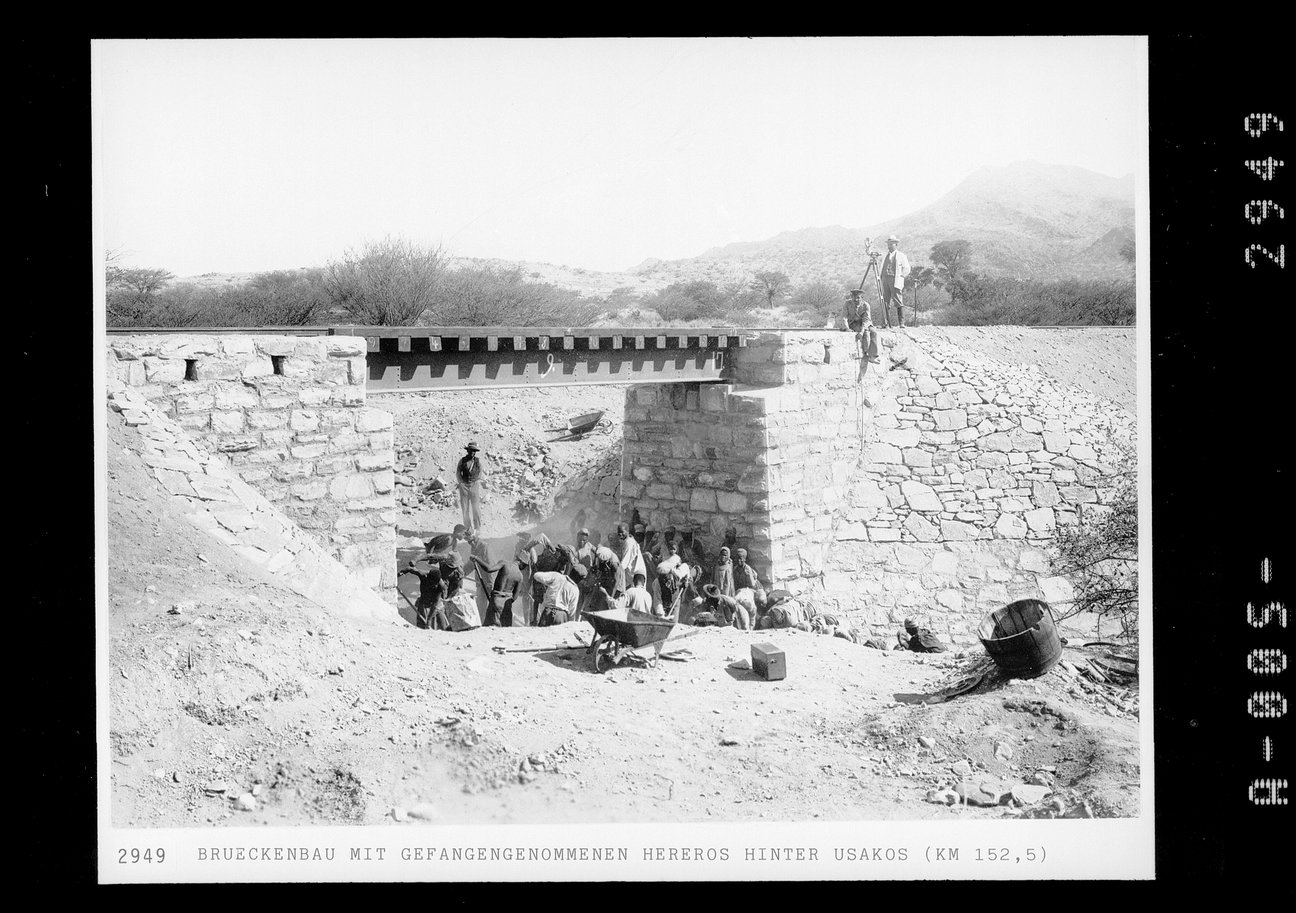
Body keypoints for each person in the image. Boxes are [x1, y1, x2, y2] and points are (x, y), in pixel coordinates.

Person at [398, 560, 448, 630]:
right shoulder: (423, 576)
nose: (435, 585)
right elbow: (410, 569)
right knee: (421, 625)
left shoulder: (440, 586)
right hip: (424, 601)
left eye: (436, 583)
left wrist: (429, 620)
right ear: (428, 578)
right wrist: (400, 573)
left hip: (436, 604)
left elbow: (435, 604)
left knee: (442, 626)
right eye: (432, 583)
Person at [879, 235, 911, 329]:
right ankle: (885, 322)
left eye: (891, 244)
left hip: (895, 279)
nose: (889, 246)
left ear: (896, 244)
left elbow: (907, 268)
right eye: (888, 244)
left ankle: (901, 323)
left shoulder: (901, 256)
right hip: (885, 279)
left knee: (898, 300)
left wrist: (901, 275)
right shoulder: (885, 255)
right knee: (885, 301)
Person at [845, 288, 881, 363]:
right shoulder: (847, 304)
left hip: (865, 323)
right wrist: (847, 328)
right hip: (854, 323)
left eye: (858, 297)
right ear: (851, 297)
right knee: (866, 333)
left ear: (861, 298)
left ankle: (873, 355)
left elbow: (866, 320)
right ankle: (867, 352)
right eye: (854, 297)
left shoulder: (865, 305)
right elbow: (844, 317)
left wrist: (861, 331)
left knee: (873, 332)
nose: (856, 300)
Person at [456, 442, 485, 533]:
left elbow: (480, 472)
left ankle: (477, 528)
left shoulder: (477, 461)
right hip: (464, 486)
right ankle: (468, 529)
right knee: (465, 508)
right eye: (471, 450)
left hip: (474, 485)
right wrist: (461, 482)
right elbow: (458, 472)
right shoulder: (462, 461)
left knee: (476, 508)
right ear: (468, 451)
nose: (472, 452)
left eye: (474, 451)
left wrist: (475, 481)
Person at [612, 522, 646, 595]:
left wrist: (616, 570)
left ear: (627, 531)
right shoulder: (625, 542)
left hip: (635, 573)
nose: (620, 534)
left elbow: (624, 563)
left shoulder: (629, 543)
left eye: (622, 532)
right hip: (630, 573)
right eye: (619, 532)